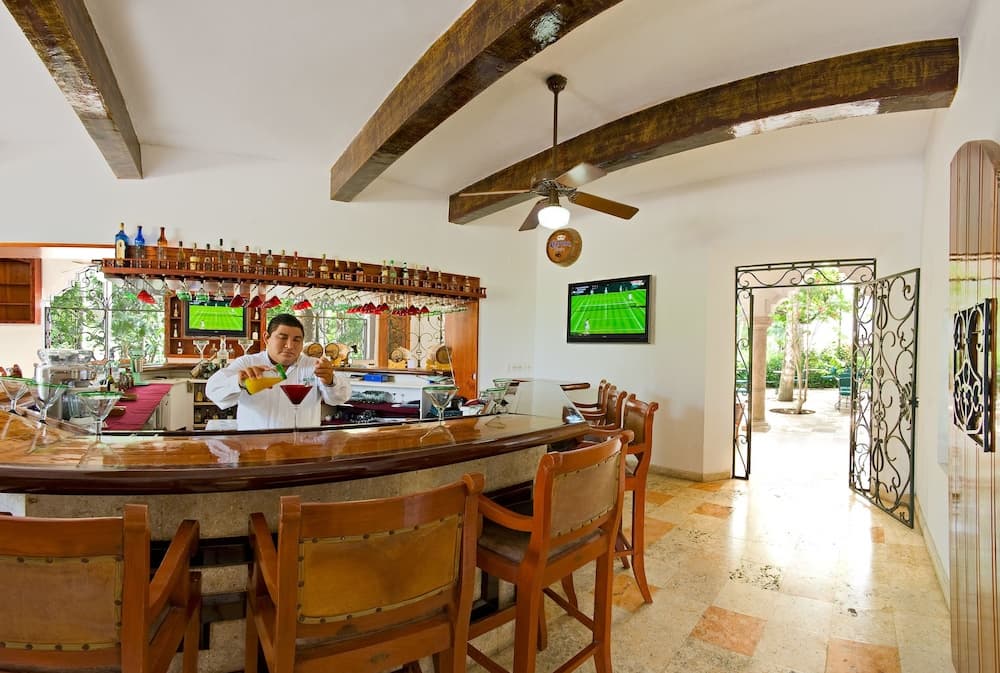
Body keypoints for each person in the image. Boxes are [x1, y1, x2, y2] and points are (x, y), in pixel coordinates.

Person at [206, 314, 351, 430]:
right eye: (282, 338)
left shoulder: (314, 365)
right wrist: (239, 382)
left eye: (297, 340)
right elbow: (212, 390)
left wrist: (330, 381)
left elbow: (340, 398)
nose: (290, 345)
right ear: (266, 338)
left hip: (302, 448)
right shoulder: (248, 363)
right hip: (255, 447)